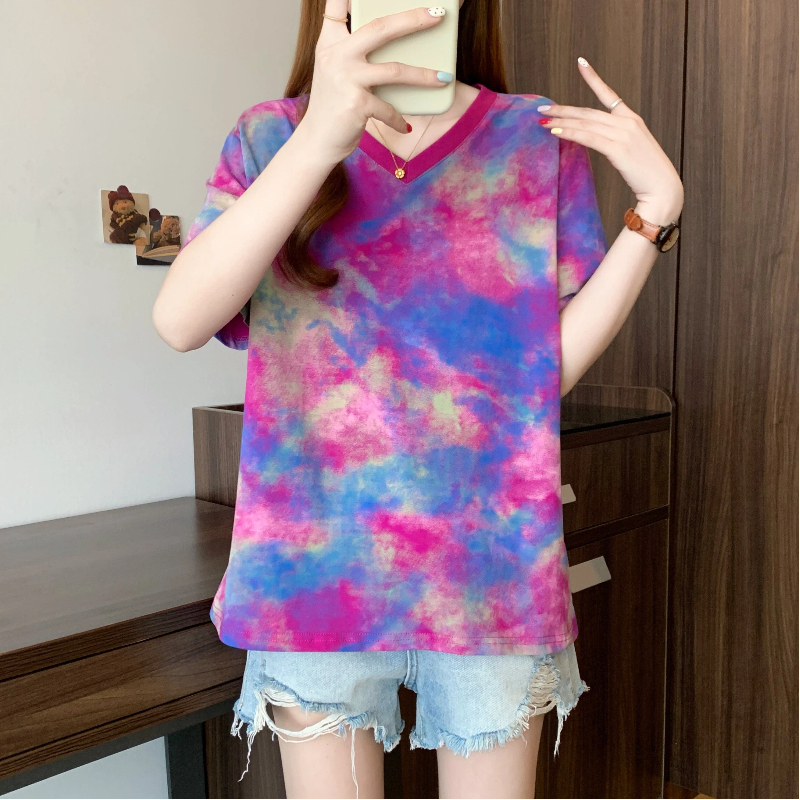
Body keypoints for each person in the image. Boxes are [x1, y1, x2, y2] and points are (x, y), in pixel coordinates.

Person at [152, 1, 684, 797]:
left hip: (489, 574)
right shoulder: (272, 135)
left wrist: (654, 213)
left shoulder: (535, 138)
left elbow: (538, 377)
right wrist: (320, 138)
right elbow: (180, 320)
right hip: (314, 578)